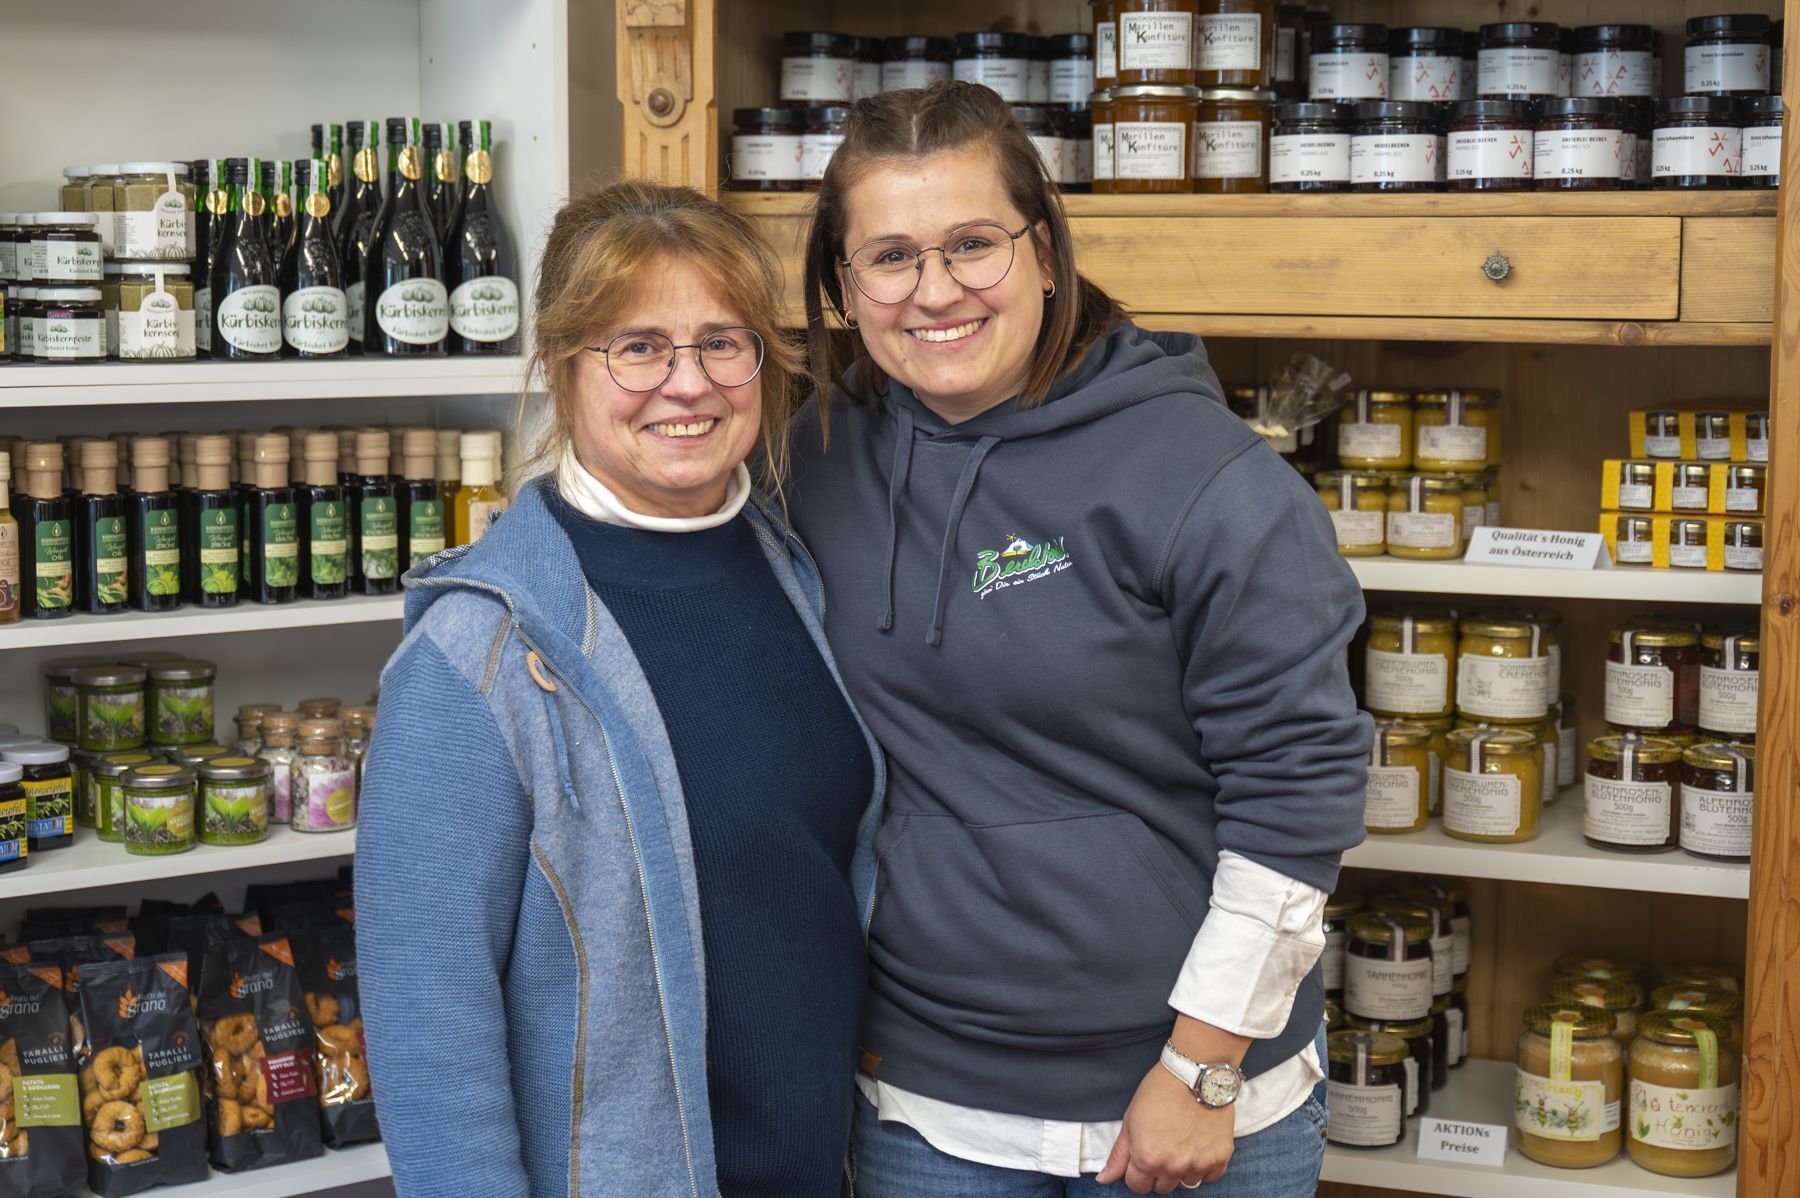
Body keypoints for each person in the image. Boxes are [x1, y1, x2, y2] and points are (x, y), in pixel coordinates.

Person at [787, 81, 1370, 1196]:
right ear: (846, 287)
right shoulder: (808, 462)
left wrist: (1201, 1067)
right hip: (925, 1106)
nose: (936, 292)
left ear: (1047, 252)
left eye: (973, 245)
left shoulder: (1211, 481)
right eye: (891, 257)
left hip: (1192, 1100)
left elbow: (1298, 790)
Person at [356, 180, 884, 1198]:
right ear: (559, 368)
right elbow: (432, 1042)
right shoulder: (473, 660)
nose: (687, 384)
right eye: (636, 347)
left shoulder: (800, 576)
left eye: (722, 342)